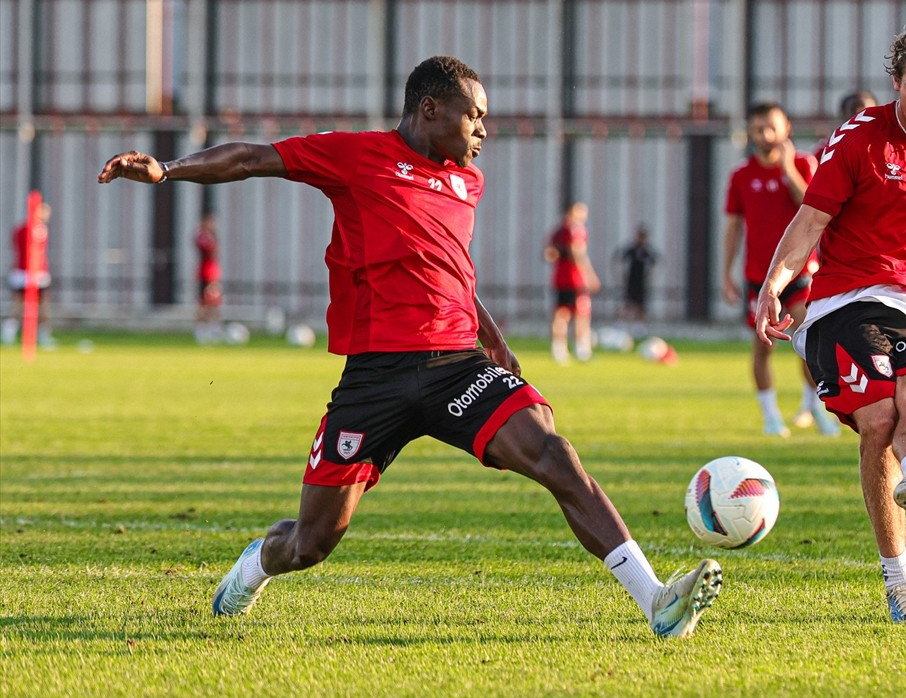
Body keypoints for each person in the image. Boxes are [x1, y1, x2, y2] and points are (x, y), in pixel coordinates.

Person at [97, 56, 721, 639]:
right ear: (430, 109)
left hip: (458, 367)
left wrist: (494, 340)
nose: (483, 130)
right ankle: (258, 563)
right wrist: (168, 169)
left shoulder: (467, 182)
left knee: (554, 454)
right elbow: (250, 158)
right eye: (474, 115)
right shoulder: (355, 156)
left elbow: (452, 269)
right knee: (312, 543)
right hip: (375, 379)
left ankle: (656, 601)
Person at [754, 17, 906, 623]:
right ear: (897, 84)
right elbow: (810, 219)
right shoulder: (860, 137)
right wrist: (774, 285)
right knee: (881, 418)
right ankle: (900, 578)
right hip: (843, 301)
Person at [722, 101, 838, 438]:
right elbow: (733, 227)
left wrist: (788, 169)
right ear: (750, 133)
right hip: (759, 278)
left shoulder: (803, 164)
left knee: (809, 340)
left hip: (800, 272)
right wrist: (726, 273)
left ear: (786, 128)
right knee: (763, 347)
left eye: (771, 127)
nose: (766, 135)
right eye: (759, 129)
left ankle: (813, 406)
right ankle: (771, 416)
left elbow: (813, 206)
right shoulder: (741, 175)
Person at [544, 201, 600, 364]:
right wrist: (589, 275)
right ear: (571, 212)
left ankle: (558, 348)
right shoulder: (575, 230)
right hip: (575, 279)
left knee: (561, 313)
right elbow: (578, 253)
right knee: (581, 314)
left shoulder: (558, 231)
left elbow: (549, 253)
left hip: (560, 278)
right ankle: (582, 349)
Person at [2, 201, 54, 347]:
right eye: (45, 211)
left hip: (25, 272)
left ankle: (11, 333)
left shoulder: (22, 229)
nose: (48, 215)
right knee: (36, 305)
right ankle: (40, 336)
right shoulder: (36, 230)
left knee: (24, 305)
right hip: (31, 272)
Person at [616, 225, 657, 329]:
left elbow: (654, 263)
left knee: (641, 304)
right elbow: (621, 260)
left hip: (641, 281)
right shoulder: (631, 250)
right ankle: (621, 322)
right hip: (631, 280)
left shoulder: (647, 251)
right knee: (627, 302)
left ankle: (639, 325)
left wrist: (649, 276)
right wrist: (621, 276)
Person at [194, 211, 224, 344]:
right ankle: (202, 329)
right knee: (204, 303)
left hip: (213, 271)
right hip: (206, 272)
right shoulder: (202, 236)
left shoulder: (212, 235)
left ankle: (215, 328)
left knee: (215, 302)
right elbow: (209, 251)